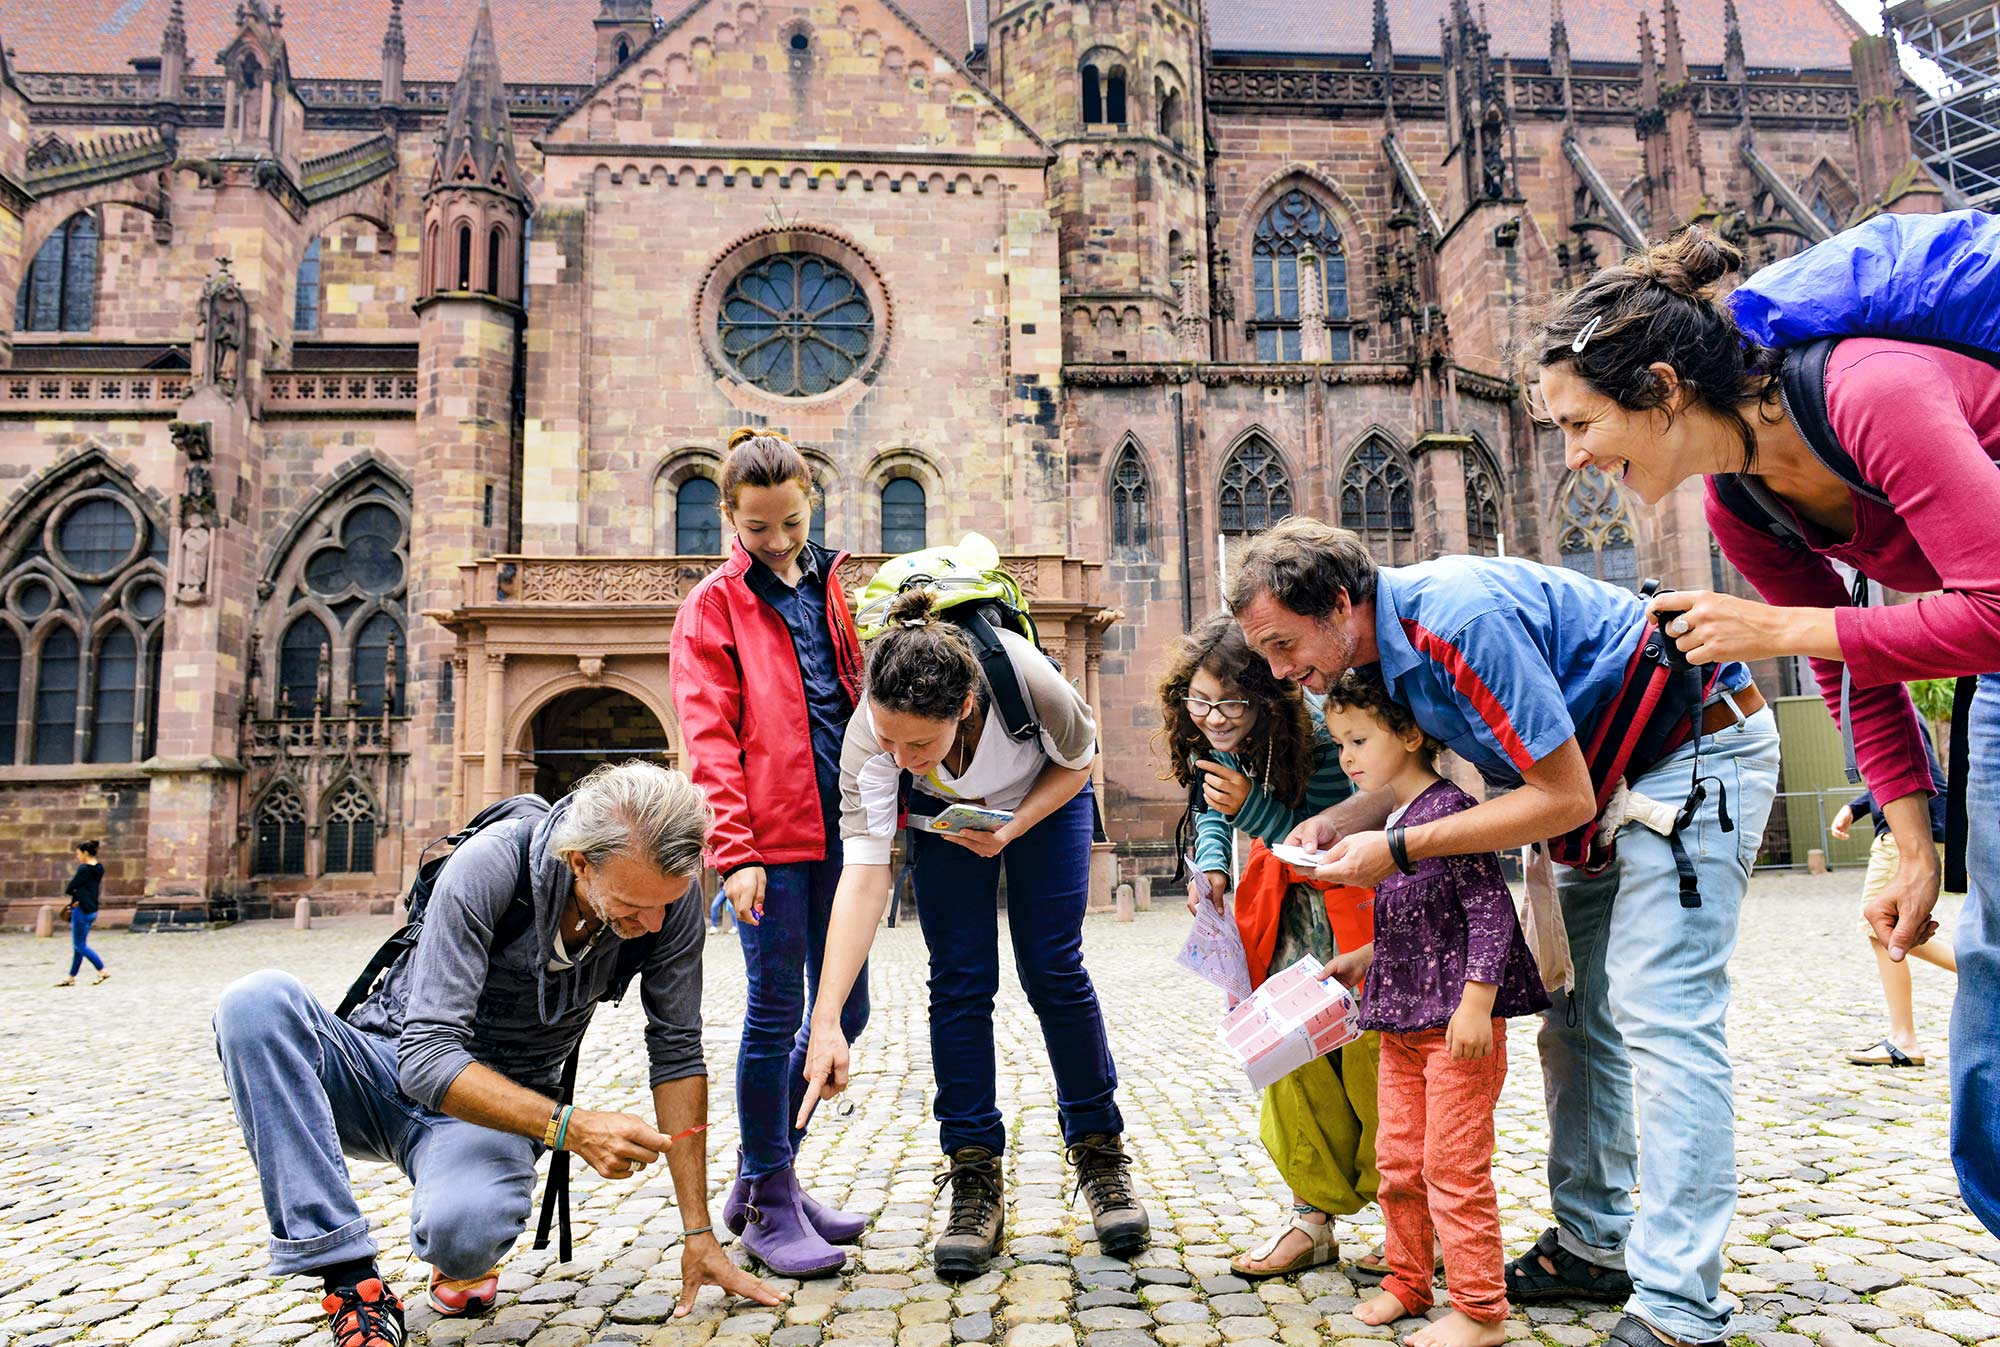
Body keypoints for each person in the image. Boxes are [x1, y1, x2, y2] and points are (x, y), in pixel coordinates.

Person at [1524, 225, 2000, 1236]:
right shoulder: (1743, 499)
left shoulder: (1872, 392)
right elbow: (1852, 664)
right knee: (1989, 991)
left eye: (1578, 424)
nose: (1572, 458)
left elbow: (1995, 606)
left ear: (1658, 389)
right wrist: (1910, 846)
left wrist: (1780, 625)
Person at [1228, 518, 1779, 1347]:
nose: (1278, 671)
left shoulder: (1456, 621)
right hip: (1602, 773)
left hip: (1692, 746)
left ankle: (1679, 1306)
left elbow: (1562, 798)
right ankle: (1594, 1245)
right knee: (1574, 1018)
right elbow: (1451, 776)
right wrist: (1339, 821)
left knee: (1663, 1018)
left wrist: (1402, 847)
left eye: (1282, 643)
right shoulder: (1384, 653)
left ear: (1340, 603)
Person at [212, 762, 777, 1347]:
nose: (654, 922)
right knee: (253, 1003)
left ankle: (460, 1246)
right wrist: (571, 1128)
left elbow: (677, 1052)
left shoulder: (667, 902)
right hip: (381, 1065)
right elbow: (426, 1059)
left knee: (464, 1233)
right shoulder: (492, 863)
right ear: (579, 862)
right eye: (634, 904)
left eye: (667, 903)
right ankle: (350, 1279)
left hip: (496, 1106)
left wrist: (699, 1232)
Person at [796, 586, 1149, 1280]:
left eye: (919, 742)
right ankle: (972, 1170)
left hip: (1046, 801)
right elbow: (864, 875)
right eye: (889, 739)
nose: (899, 757)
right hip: (948, 819)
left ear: (963, 706)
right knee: (958, 979)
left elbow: (1079, 762)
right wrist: (827, 1015)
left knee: (1052, 966)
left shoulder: (1029, 681)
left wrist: (1013, 825)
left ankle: (1101, 1151)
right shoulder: (875, 737)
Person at [671, 427, 872, 1278]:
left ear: (809, 502)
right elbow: (708, 738)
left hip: (846, 828)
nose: (779, 540)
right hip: (770, 845)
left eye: (790, 521)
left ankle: (764, 1176)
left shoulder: (831, 583)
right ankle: (772, 1198)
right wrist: (736, 850)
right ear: (730, 518)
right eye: (759, 528)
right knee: (774, 1015)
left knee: (848, 1011)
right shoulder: (711, 606)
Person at [1318, 672, 1549, 1347]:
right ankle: (1408, 1279)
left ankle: (1481, 1310)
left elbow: (1488, 910)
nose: (1348, 757)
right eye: (1340, 744)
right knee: (1397, 1160)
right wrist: (1364, 957)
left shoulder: (1451, 812)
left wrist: (1478, 1004)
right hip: (1402, 1027)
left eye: (1359, 739)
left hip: (1457, 1030)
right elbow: (1423, 919)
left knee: (1453, 1165)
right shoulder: (1394, 818)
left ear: (1411, 734)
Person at [1155, 614, 1381, 1278]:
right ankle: (1311, 1220)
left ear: (1265, 696)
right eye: (1200, 702)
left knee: (1374, 1062)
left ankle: (1414, 1217)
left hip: (1357, 903)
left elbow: (1326, 839)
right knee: (1290, 1054)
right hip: (1287, 915)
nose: (1215, 718)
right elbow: (1213, 804)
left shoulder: (1321, 728)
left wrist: (1251, 807)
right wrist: (1215, 865)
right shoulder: (1220, 735)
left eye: (1230, 703)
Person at [1830, 729, 1955, 1067]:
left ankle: (1904, 1039)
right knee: (1885, 930)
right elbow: (1890, 770)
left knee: (1879, 927)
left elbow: (1914, 770)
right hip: (1909, 830)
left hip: (1902, 836)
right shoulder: (1890, 705)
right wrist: (1854, 808)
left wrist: (1918, 836)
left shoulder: (1882, 700)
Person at [55, 839, 107, 987]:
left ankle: (102, 969)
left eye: (78, 853)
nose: (77, 856)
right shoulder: (99, 868)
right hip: (92, 909)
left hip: (81, 910)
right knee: (78, 946)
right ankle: (71, 977)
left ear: (85, 853)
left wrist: (76, 894)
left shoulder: (84, 869)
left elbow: (70, 888)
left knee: (80, 946)